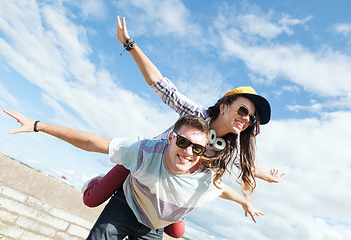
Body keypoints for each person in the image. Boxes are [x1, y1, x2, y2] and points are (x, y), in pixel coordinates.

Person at [82, 16, 285, 209]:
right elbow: (161, 86)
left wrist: (270, 177)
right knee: (93, 199)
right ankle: (102, 179)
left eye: (251, 118)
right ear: (224, 106)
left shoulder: (228, 148)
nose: (246, 118)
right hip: (148, 163)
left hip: (171, 185)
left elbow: (248, 166)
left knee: (176, 232)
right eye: (242, 110)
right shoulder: (196, 114)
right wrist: (128, 43)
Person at [4, 110, 263, 240]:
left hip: (154, 223)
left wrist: (245, 201)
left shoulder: (204, 178)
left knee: (178, 231)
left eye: (197, 148)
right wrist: (39, 126)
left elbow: (224, 190)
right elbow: (93, 142)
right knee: (96, 200)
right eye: (183, 143)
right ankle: (94, 183)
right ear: (171, 138)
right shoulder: (145, 150)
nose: (188, 153)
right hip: (127, 205)